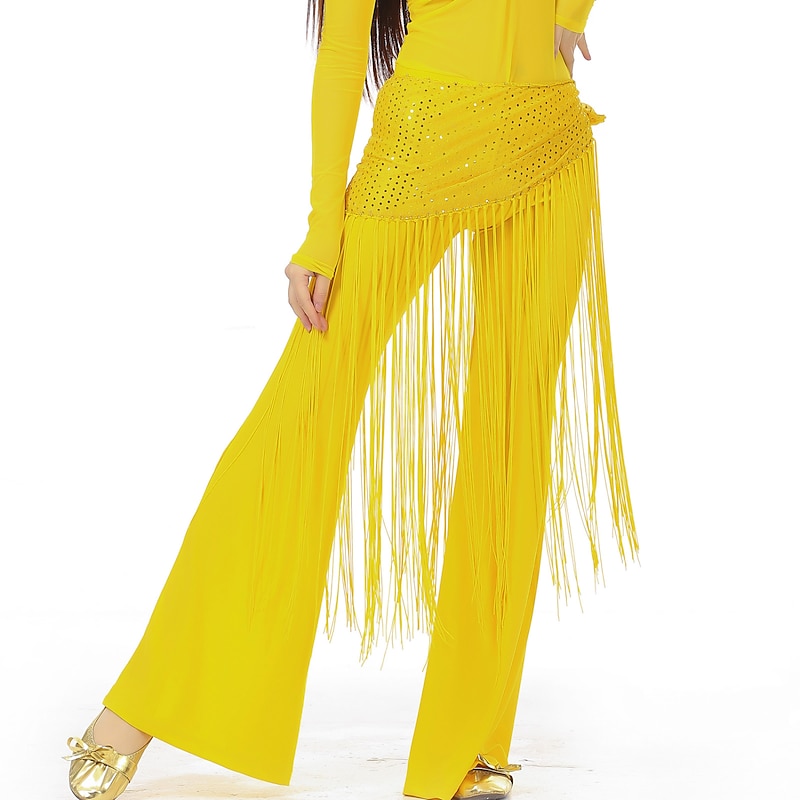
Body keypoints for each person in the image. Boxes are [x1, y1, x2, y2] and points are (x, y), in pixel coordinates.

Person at [63, 1, 639, 799]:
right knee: (299, 415)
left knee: (513, 432)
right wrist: (322, 231)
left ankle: (464, 746)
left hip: (551, 144)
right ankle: (141, 705)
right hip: (424, 142)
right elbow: (341, 55)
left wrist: (570, 9)